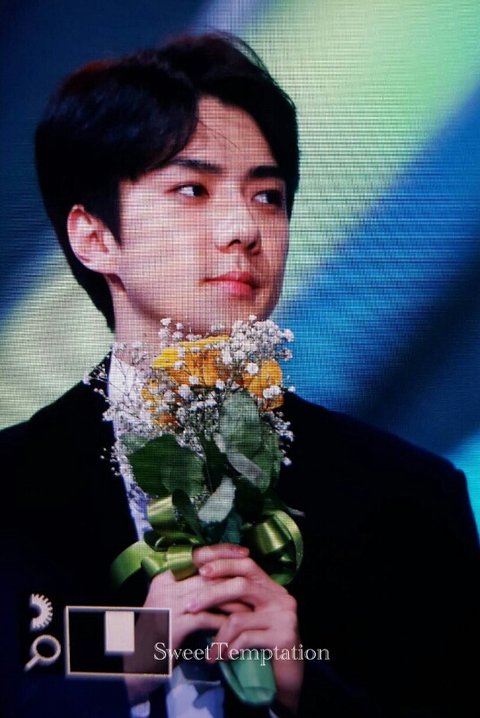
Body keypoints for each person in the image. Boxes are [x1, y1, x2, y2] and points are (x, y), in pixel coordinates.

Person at [0, 33, 478, 718]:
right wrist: (127, 661)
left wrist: (306, 684)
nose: (243, 228)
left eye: (268, 196)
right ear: (95, 237)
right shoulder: (13, 491)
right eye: (193, 189)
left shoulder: (408, 499)